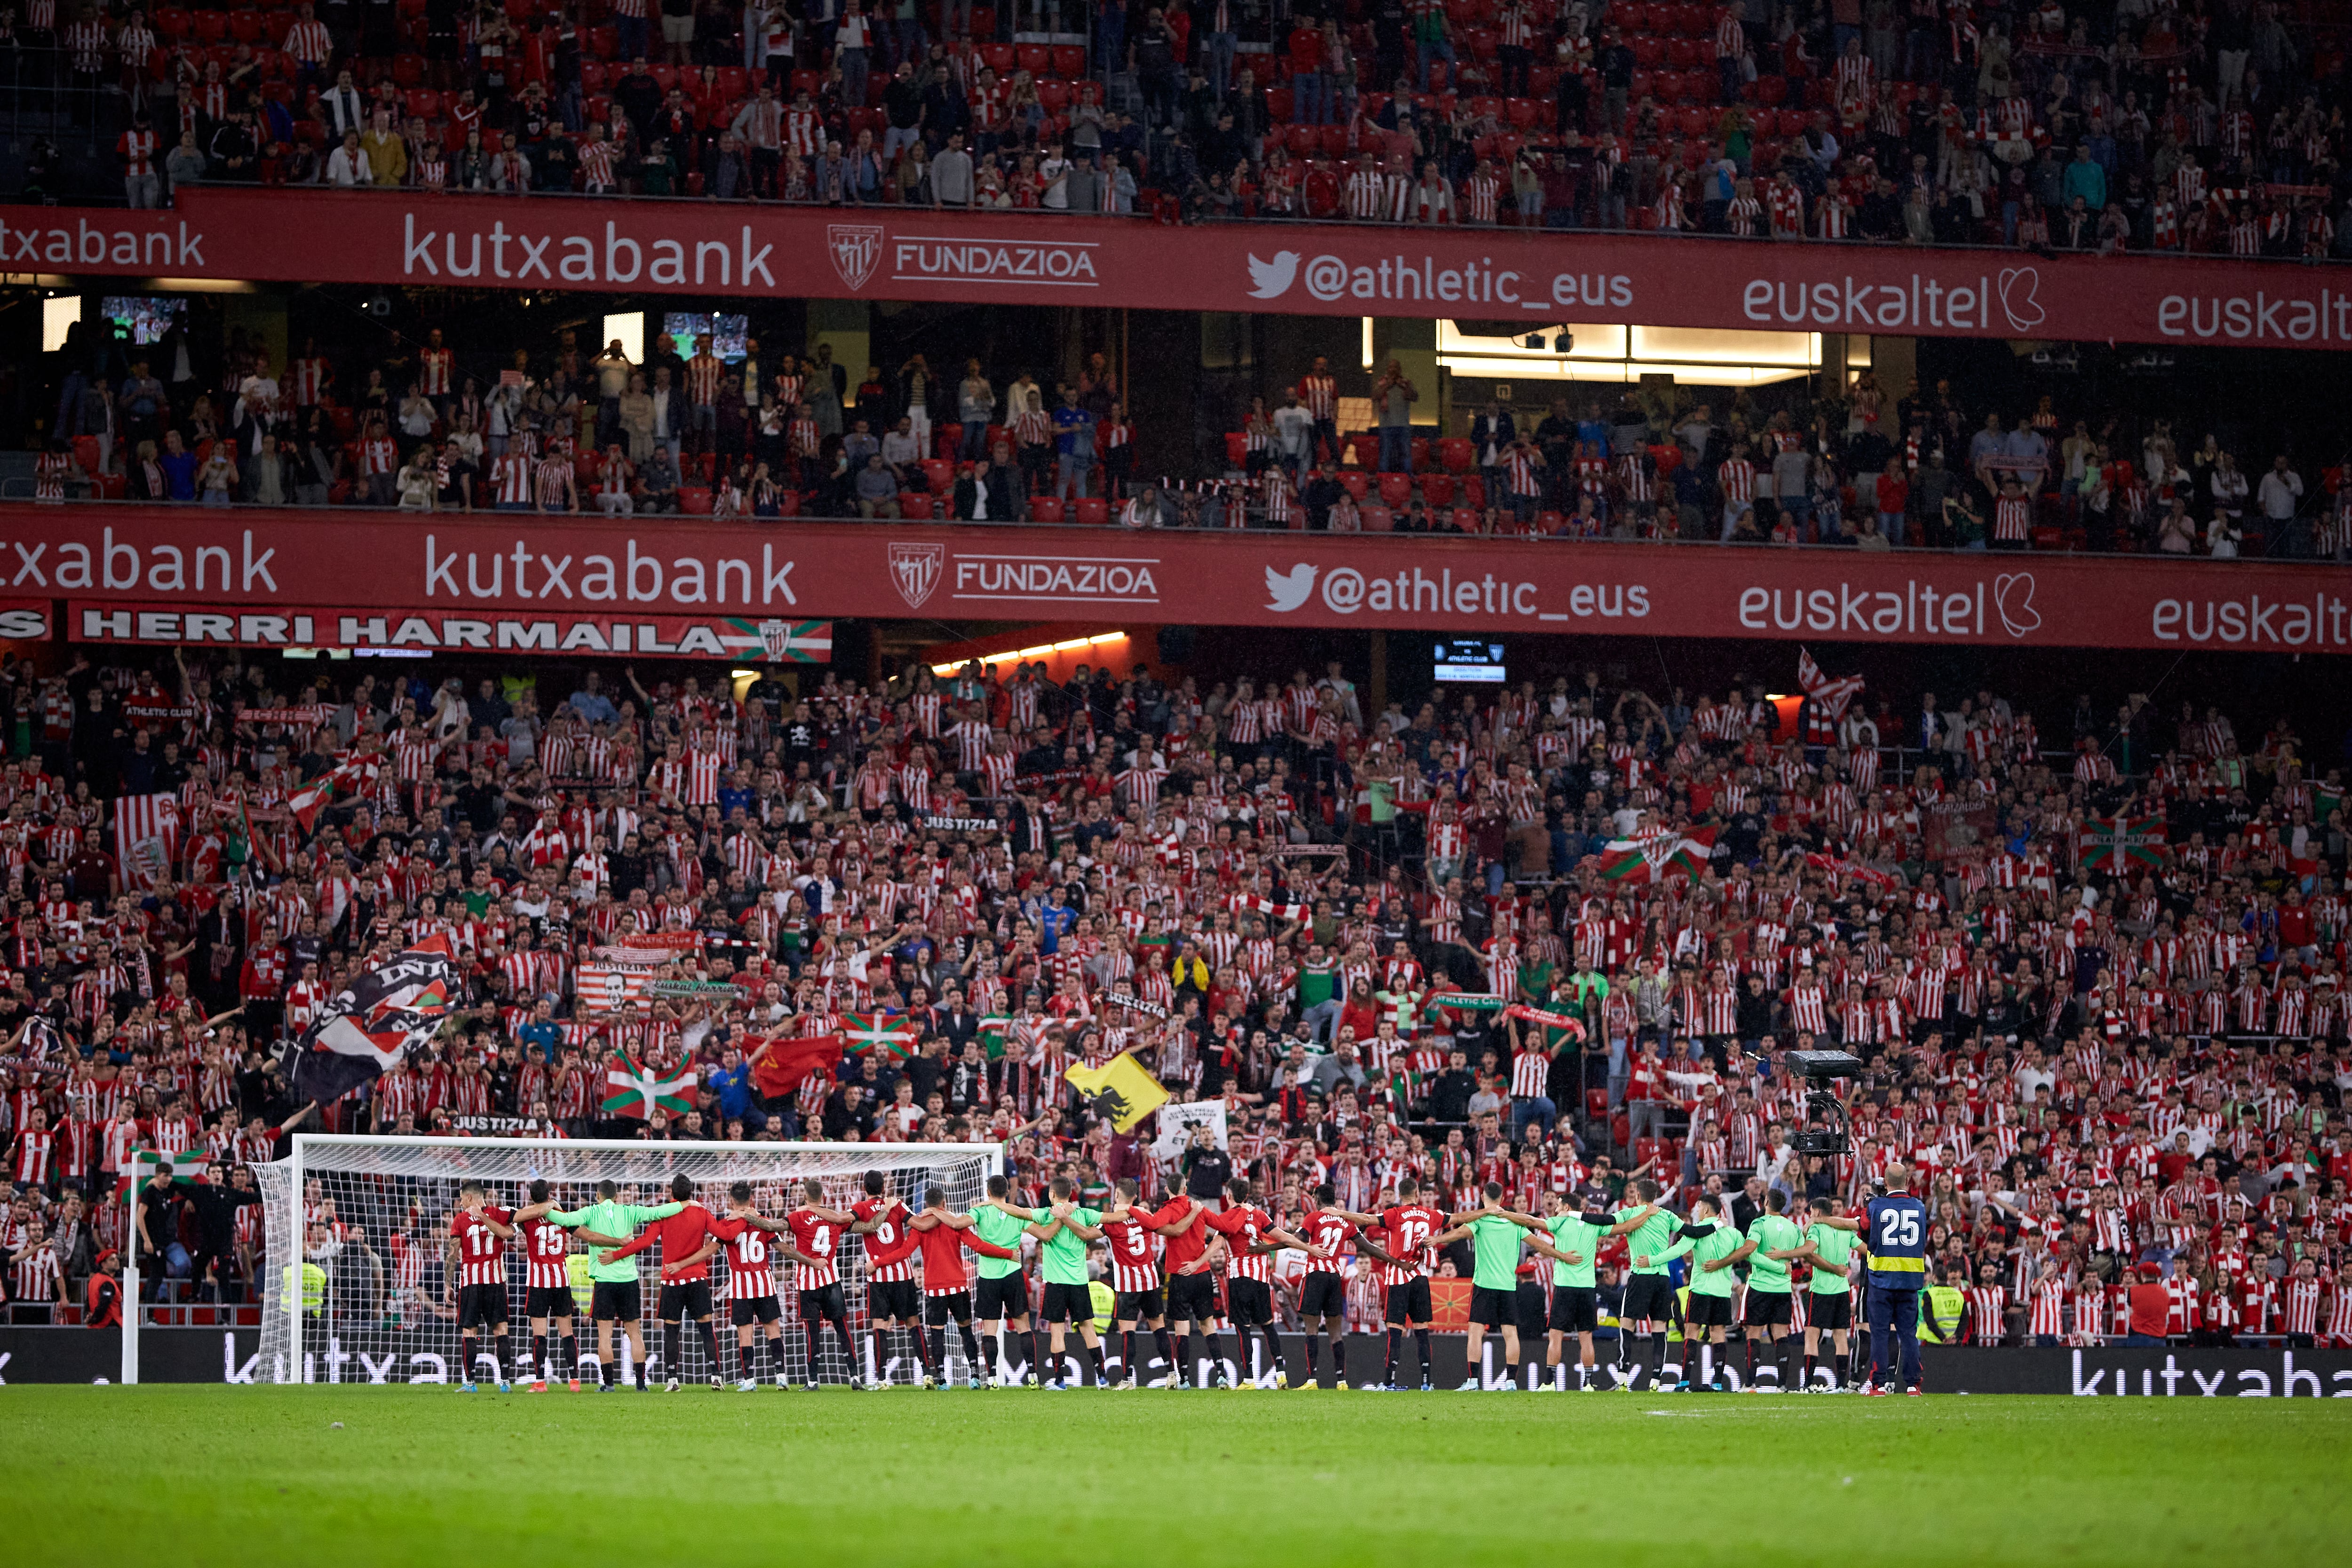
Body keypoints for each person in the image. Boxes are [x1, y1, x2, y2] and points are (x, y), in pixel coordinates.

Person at [546, 1178, 685, 1391]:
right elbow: (658, 1212)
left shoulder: (591, 1212)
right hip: (629, 1281)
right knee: (635, 1333)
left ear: (598, 1196)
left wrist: (546, 1207)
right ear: (617, 1197)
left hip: (604, 1282)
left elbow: (564, 1219)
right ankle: (641, 1384)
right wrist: (685, 1204)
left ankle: (609, 1384)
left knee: (605, 1335)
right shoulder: (630, 1211)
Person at [591, 1173, 723, 1392]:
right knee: (706, 1328)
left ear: (671, 1192)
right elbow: (723, 1234)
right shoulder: (702, 1212)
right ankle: (716, 1376)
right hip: (698, 1278)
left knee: (671, 1330)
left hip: (672, 1280)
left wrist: (617, 1255)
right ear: (692, 1193)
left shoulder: (664, 1214)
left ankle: (672, 1380)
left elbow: (645, 1242)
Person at [1432, 1182, 1535, 1392]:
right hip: (1508, 1285)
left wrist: (1436, 1239)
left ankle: (1472, 1381)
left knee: (1475, 1332)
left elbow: (1459, 1233)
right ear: (1503, 1197)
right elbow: (1539, 1243)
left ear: (1482, 1197)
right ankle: (1511, 1382)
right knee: (1510, 1333)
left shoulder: (1481, 1220)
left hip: (1484, 1284)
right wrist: (1561, 1255)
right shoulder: (1514, 1222)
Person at [784, 1178, 863, 1390]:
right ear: (823, 1197)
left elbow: (775, 1226)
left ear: (806, 1196)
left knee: (812, 1332)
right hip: (832, 1281)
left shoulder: (798, 1216)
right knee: (842, 1327)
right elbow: (866, 1225)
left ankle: (812, 1381)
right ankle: (855, 1377)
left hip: (808, 1284)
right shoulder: (836, 1218)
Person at [446, 1179, 516, 1393]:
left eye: (461, 1198)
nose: (459, 1203)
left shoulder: (460, 1220)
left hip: (470, 1283)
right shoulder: (497, 1214)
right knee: (501, 1330)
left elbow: (453, 1255)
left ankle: (470, 1384)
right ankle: (505, 1383)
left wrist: (448, 1284)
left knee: (469, 1332)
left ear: (469, 1198)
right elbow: (509, 1234)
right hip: (495, 1281)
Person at [1795, 1197, 1859, 1391]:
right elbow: (1864, 1249)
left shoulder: (1816, 1229)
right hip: (1842, 1290)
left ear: (1817, 1212)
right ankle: (1842, 1385)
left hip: (1822, 1289)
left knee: (1812, 1336)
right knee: (1840, 1337)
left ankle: (1807, 1384)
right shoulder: (1846, 1230)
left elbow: (1810, 1253)